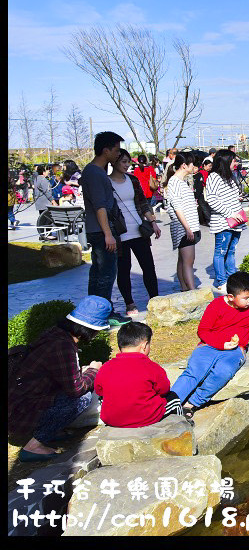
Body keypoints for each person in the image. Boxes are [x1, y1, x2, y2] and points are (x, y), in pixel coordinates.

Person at [8, 296, 108, 462]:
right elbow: (76, 389)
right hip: (20, 413)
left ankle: (50, 430)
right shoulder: (63, 346)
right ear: (91, 330)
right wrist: (93, 370)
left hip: (19, 404)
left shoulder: (55, 334)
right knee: (82, 399)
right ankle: (34, 446)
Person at [170, 271, 249, 417]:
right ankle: (170, 403)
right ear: (230, 297)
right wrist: (221, 344)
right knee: (195, 371)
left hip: (236, 350)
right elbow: (203, 331)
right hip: (208, 345)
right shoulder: (216, 305)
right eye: (246, 298)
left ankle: (192, 403)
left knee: (223, 371)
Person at [94, 321, 183, 428]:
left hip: (112, 420)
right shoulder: (151, 367)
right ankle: (181, 426)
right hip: (145, 418)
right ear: (144, 345)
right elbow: (164, 389)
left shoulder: (106, 367)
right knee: (174, 398)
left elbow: (99, 391)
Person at [109, 149, 162, 316]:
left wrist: (153, 222)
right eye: (123, 162)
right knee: (124, 269)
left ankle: (155, 298)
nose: (127, 165)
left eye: (128, 162)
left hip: (139, 229)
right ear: (114, 162)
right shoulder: (107, 182)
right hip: (120, 233)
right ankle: (129, 302)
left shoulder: (132, 180)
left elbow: (143, 203)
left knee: (149, 267)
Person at [81, 132, 126, 301]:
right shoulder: (94, 173)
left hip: (99, 230)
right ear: (106, 150)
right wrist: (108, 234)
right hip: (101, 231)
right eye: (116, 150)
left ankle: (95, 310)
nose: (118, 154)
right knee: (106, 274)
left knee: (99, 272)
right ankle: (103, 312)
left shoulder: (95, 171)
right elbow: (100, 207)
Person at [206, 149, 248, 295]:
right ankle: (221, 281)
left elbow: (231, 195)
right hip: (223, 222)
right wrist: (229, 213)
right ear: (225, 161)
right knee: (221, 251)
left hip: (236, 221)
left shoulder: (229, 177)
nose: (235, 163)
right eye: (233, 160)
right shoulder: (214, 177)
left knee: (231, 250)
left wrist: (238, 199)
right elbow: (211, 199)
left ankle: (232, 278)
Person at [164, 151, 201, 290]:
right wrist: (187, 228)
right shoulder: (175, 182)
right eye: (192, 164)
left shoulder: (180, 181)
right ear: (184, 165)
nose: (193, 166)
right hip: (184, 226)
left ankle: (185, 288)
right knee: (188, 261)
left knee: (183, 260)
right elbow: (177, 207)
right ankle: (191, 290)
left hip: (187, 225)